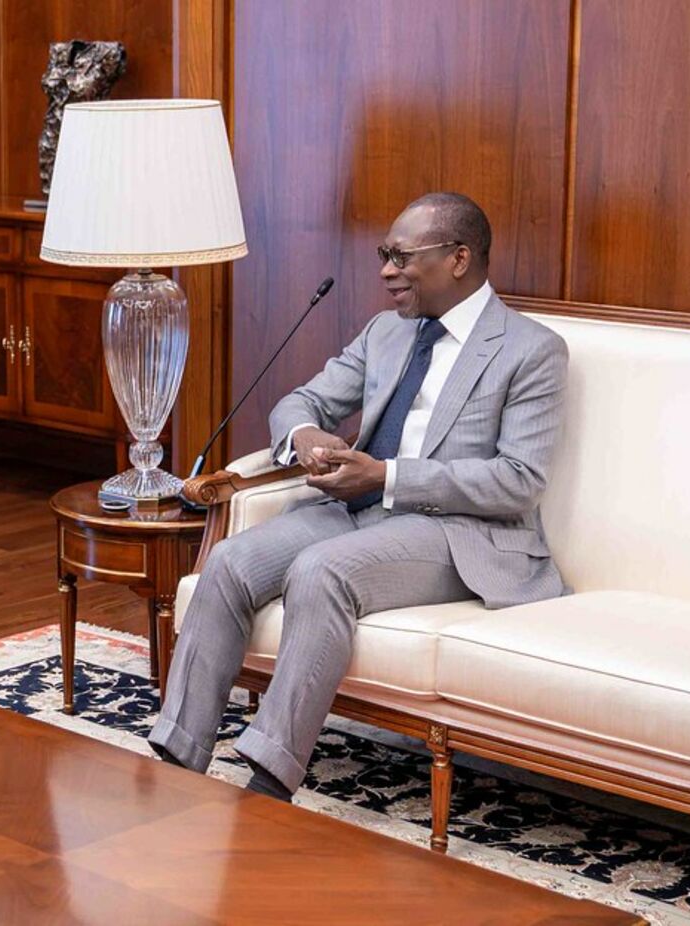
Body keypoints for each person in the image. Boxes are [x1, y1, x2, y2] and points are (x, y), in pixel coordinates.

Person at [148, 192, 569, 800]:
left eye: (401, 257)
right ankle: (176, 761)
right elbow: (302, 402)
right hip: (355, 509)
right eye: (383, 255)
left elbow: (518, 479)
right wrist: (307, 435)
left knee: (322, 571)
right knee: (230, 560)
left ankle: (268, 783)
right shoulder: (387, 332)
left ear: (458, 258)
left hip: (457, 531)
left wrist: (387, 476)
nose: (387, 272)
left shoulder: (530, 349)